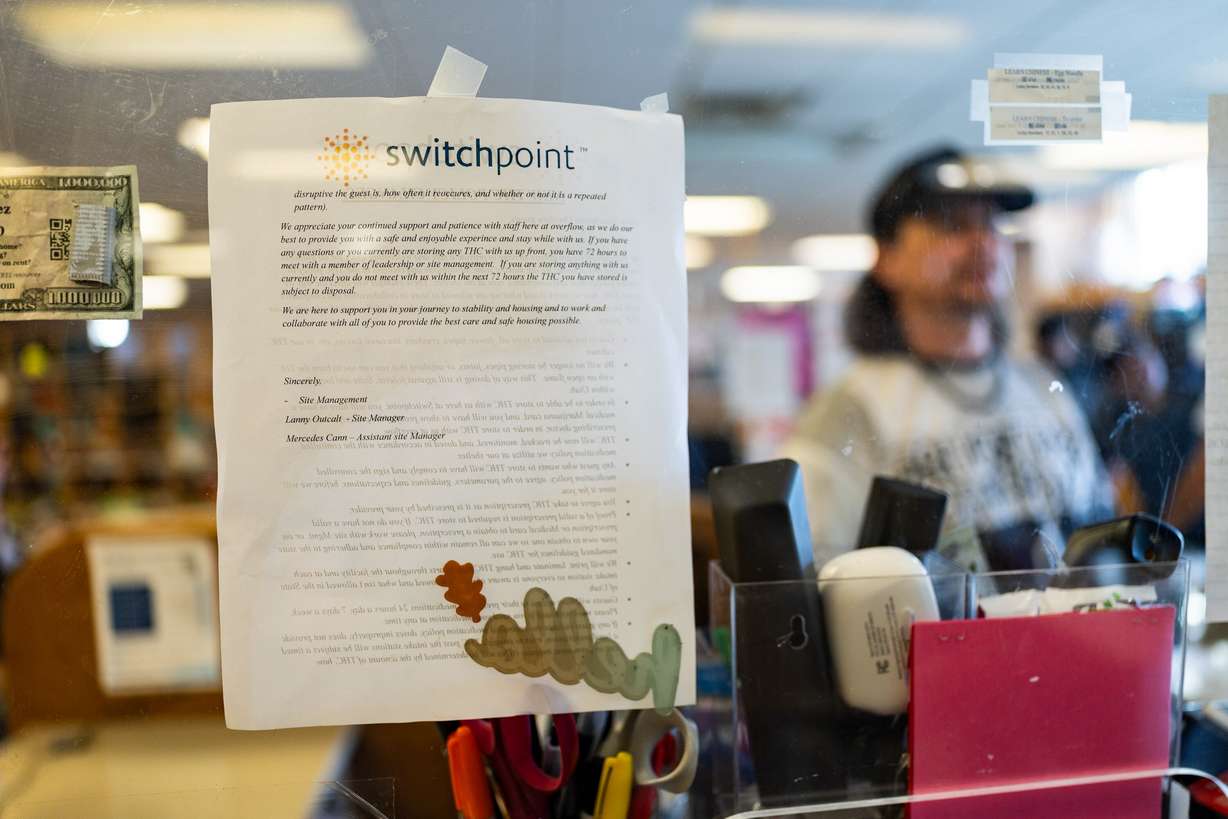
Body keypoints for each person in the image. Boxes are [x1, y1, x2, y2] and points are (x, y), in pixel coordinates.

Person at [781, 146, 1115, 571]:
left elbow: (1099, 531)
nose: (983, 244)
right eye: (952, 226)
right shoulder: (851, 407)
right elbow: (813, 575)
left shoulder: (1041, 387)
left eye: (992, 225)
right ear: (888, 259)